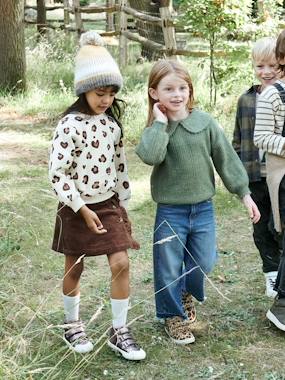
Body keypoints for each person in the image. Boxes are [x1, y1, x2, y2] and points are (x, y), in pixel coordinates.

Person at [136, 59, 260, 345]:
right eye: (169, 89)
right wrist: (160, 124)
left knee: (203, 260)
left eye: (183, 88)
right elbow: (151, 156)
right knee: (168, 266)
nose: (177, 94)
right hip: (170, 211)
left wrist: (244, 193)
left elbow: (225, 159)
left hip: (202, 208)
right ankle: (173, 317)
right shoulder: (157, 128)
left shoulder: (204, 123)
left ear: (190, 91)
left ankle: (184, 293)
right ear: (155, 93)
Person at [49, 31, 146, 360]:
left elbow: (120, 166)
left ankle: (119, 330)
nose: (106, 100)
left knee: (121, 263)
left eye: (111, 94)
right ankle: (71, 324)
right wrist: (80, 208)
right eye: (99, 93)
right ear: (83, 90)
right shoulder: (69, 125)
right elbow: (58, 173)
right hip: (76, 208)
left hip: (108, 205)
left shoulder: (112, 126)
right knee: (74, 267)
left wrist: (123, 202)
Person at [232, 37, 281, 298]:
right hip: (254, 177)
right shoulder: (246, 100)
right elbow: (238, 141)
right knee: (261, 228)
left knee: (279, 225)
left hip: (279, 177)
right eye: (260, 66)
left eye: (273, 65)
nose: (266, 72)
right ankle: (271, 274)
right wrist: (240, 178)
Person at [254, 29, 285, 331]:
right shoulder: (264, 97)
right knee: (274, 231)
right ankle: (278, 293)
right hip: (271, 175)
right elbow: (255, 139)